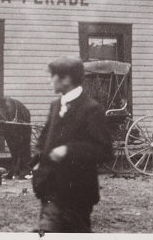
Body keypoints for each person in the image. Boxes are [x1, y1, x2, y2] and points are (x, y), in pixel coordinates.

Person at [34, 56, 113, 233]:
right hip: (51, 190)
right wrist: (38, 163)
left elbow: (105, 150)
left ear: (66, 79)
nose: (49, 80)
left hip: (78, 194)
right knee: (46, 230)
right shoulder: (55, 106)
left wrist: (68, 150)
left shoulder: (91, 108)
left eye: (52, 76)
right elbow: (44, 139)